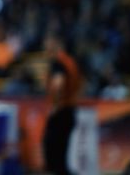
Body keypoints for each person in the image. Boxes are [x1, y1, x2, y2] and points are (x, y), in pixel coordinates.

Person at [42, 34, 82, 175]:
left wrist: (55, 106)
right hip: (69, 111)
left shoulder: (58, 62)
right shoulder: (70, 61)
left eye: (47, 42)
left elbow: (59, 84)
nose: (45, 46)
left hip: (61, 112)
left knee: (53, 156)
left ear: (55, 43)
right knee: (61, 157)